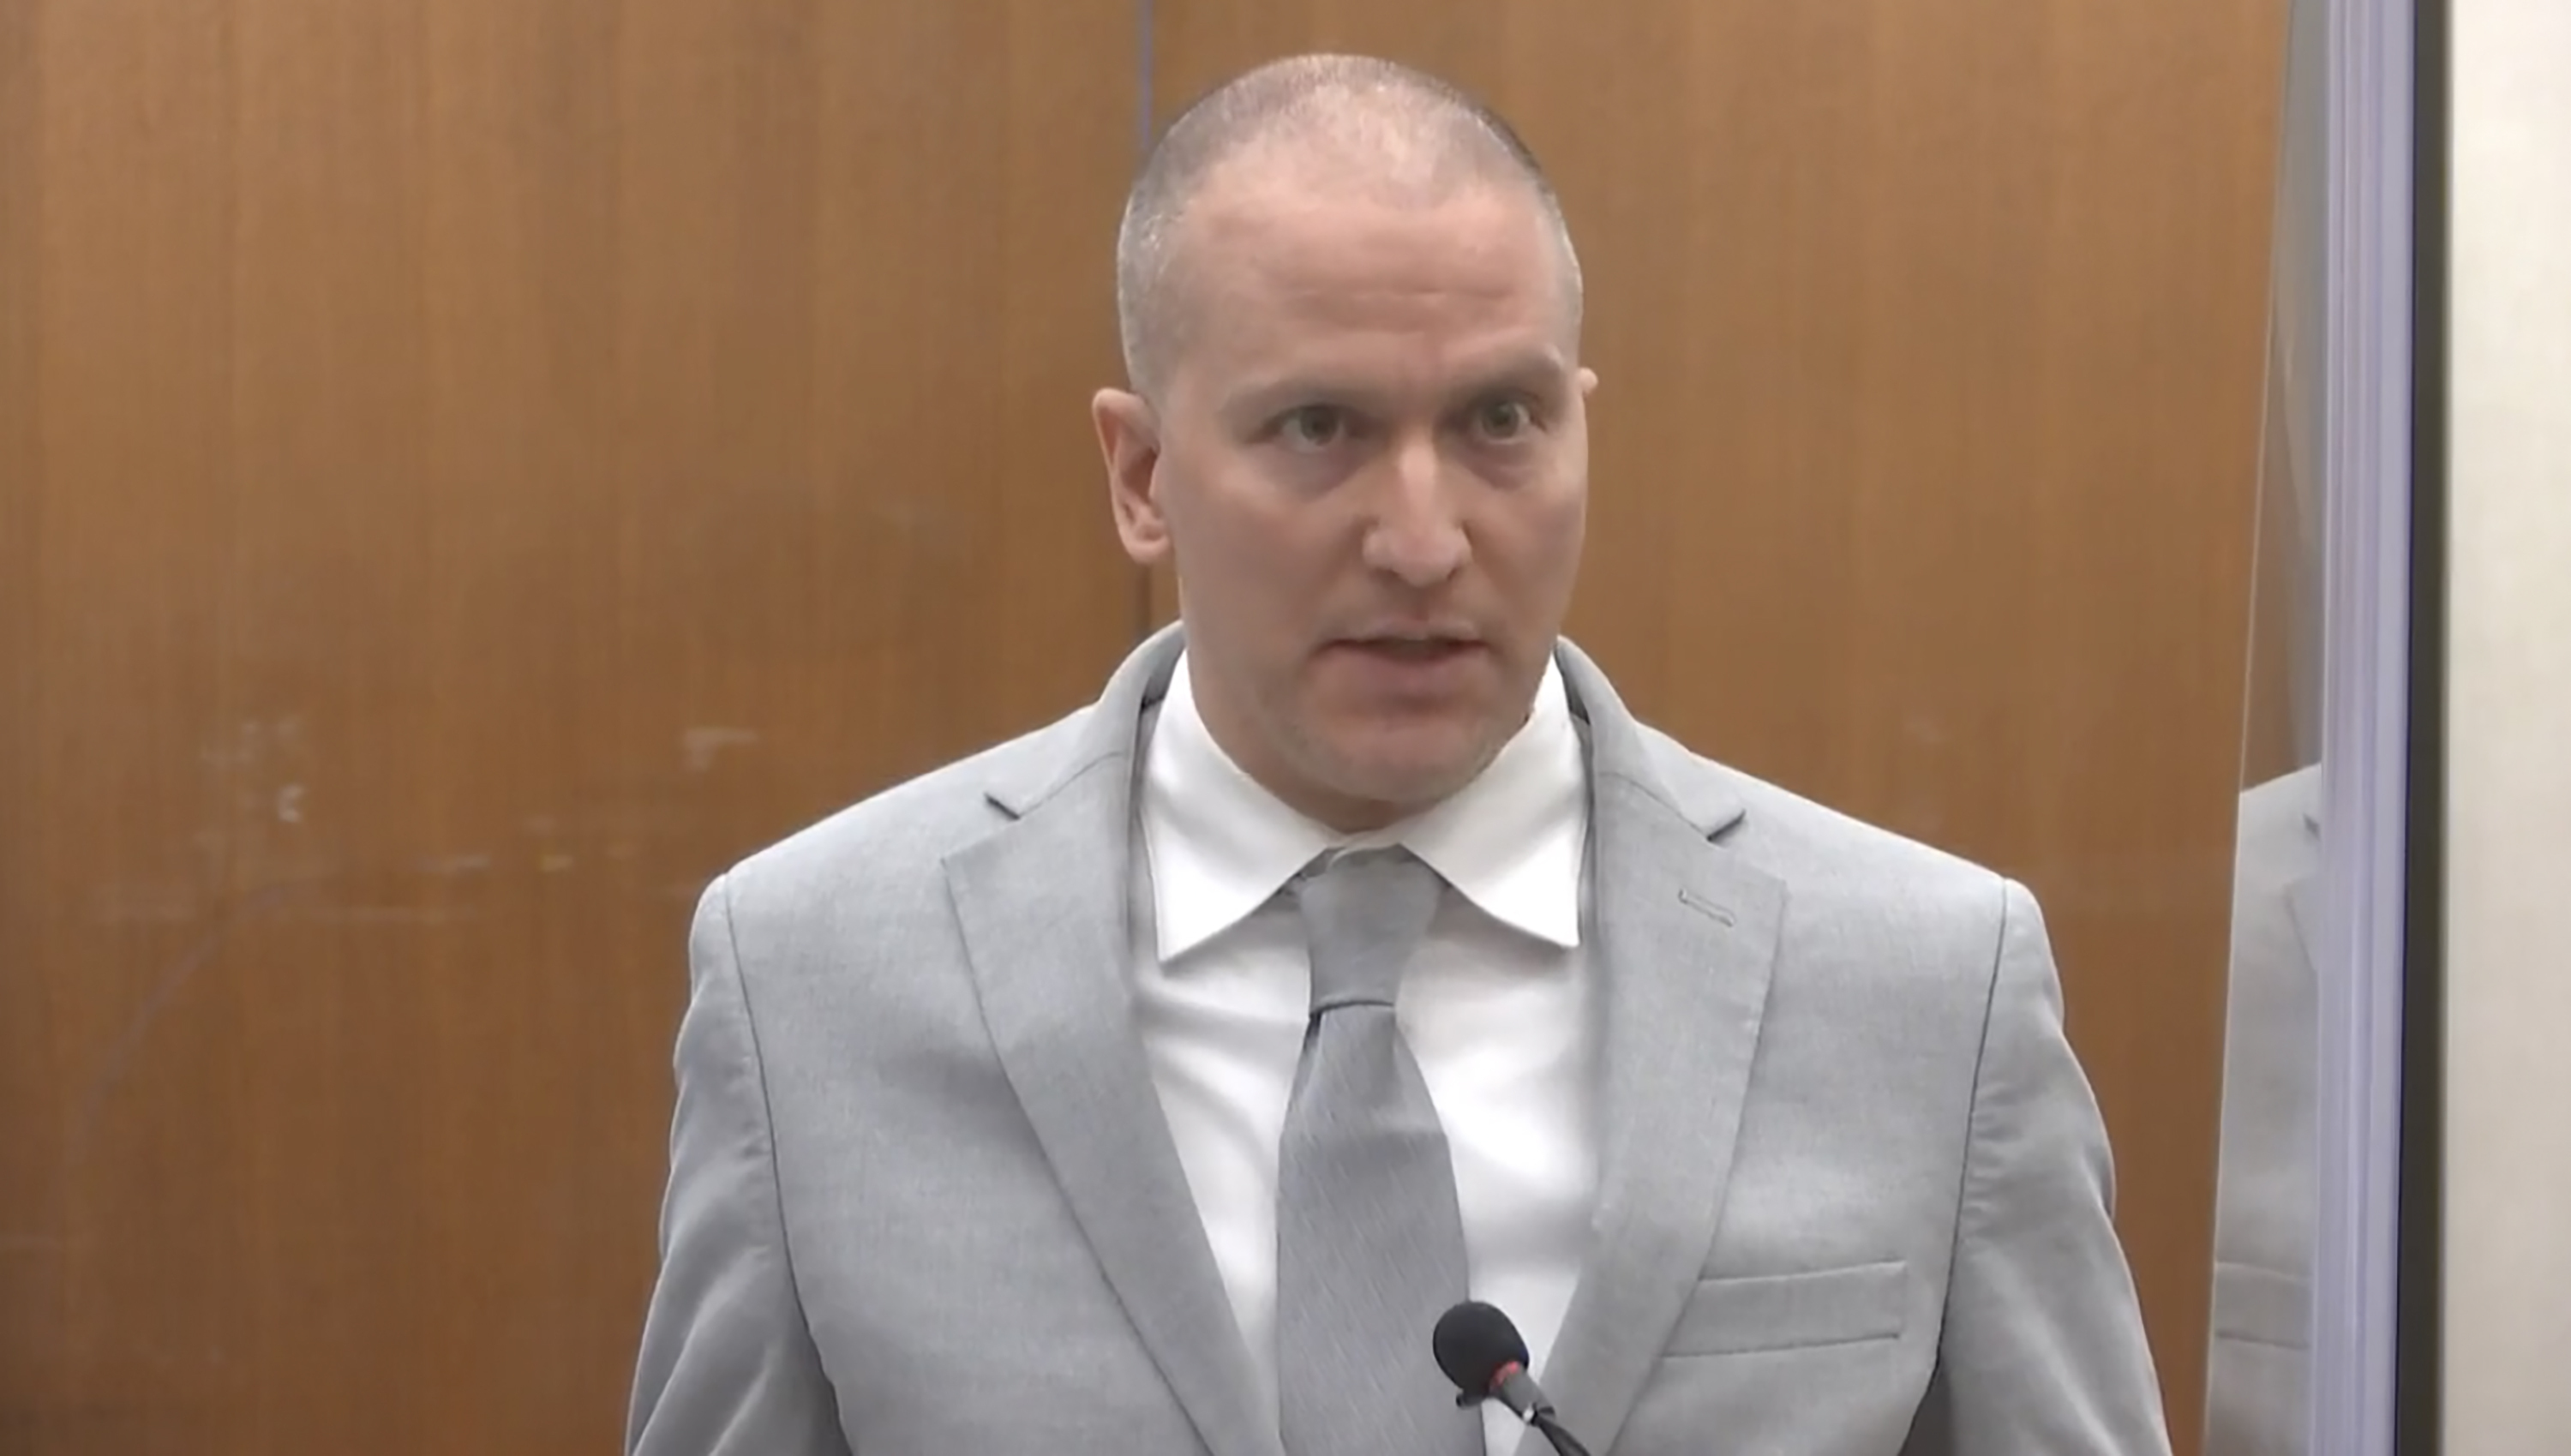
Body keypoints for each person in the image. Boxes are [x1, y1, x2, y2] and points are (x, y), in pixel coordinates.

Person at [626, 52, 2172, 1456]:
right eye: (1318, 429)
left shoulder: (1927, 985)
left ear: (1581, 431)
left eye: (1500, 420)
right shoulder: (811, 982)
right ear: (1144, 475)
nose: (1426, 541)